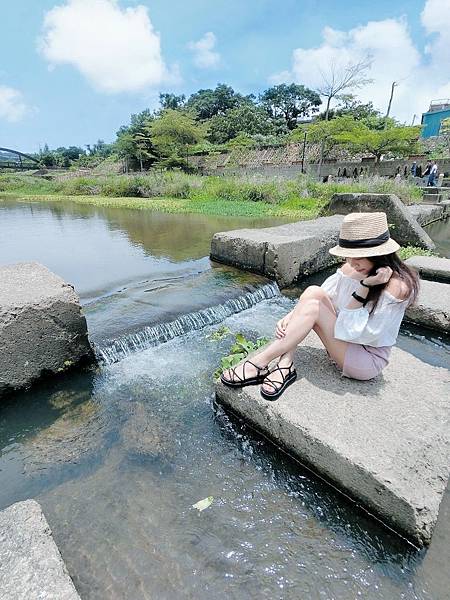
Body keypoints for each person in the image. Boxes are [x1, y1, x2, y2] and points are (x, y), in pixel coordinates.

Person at [221, 212, 419, 400]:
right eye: (349, 255)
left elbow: (352, 332)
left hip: (364, 359)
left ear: (379, 255)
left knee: (314, 306)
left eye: (358, 256)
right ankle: (285, 363)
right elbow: (316, 297)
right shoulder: (350, 268)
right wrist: (291, 317)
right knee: (313, 291)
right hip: (342, 342)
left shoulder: (397, 287)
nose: (352, 262)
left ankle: (259, 362)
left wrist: (365, 287)